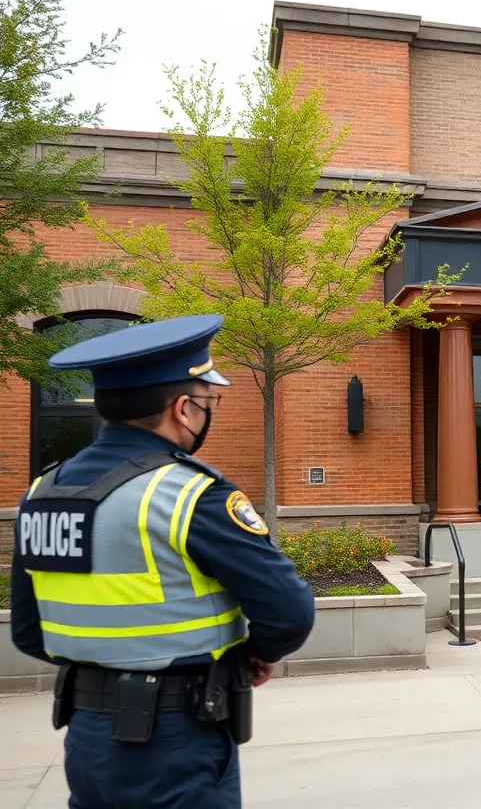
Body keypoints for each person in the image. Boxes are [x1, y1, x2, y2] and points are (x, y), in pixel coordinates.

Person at [9, 314, 316, 808]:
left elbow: (29, 632)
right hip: (176, 736)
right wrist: (248, 653)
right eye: (208, 400)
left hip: (85, 736)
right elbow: (290, 613)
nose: (207, 412)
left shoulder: (42, 493)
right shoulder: (191, 494)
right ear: (183, 408)